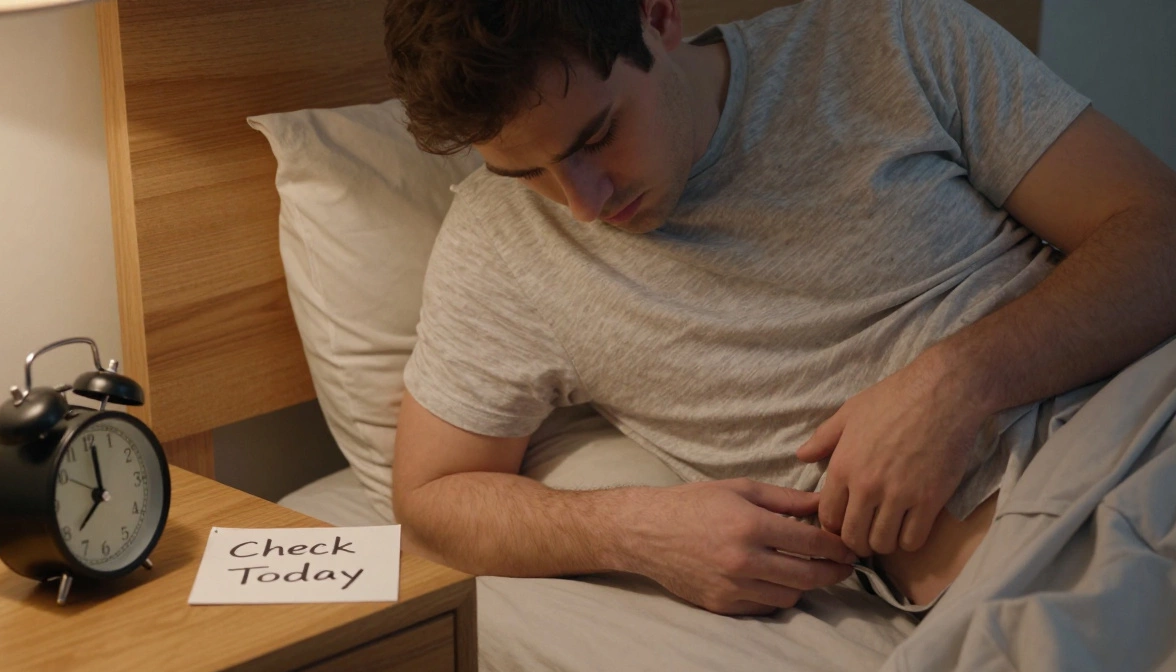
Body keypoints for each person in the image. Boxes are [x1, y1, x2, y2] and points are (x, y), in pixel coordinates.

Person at [382, 0, 1176, 615]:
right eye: (527, 174)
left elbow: (1159, 231)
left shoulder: (890, 38)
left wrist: (961, 383)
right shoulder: (495, 247)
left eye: (596, 138)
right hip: (1055, 566)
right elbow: (429, 504)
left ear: (657, 16)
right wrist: (636, 531)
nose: (581, 205)